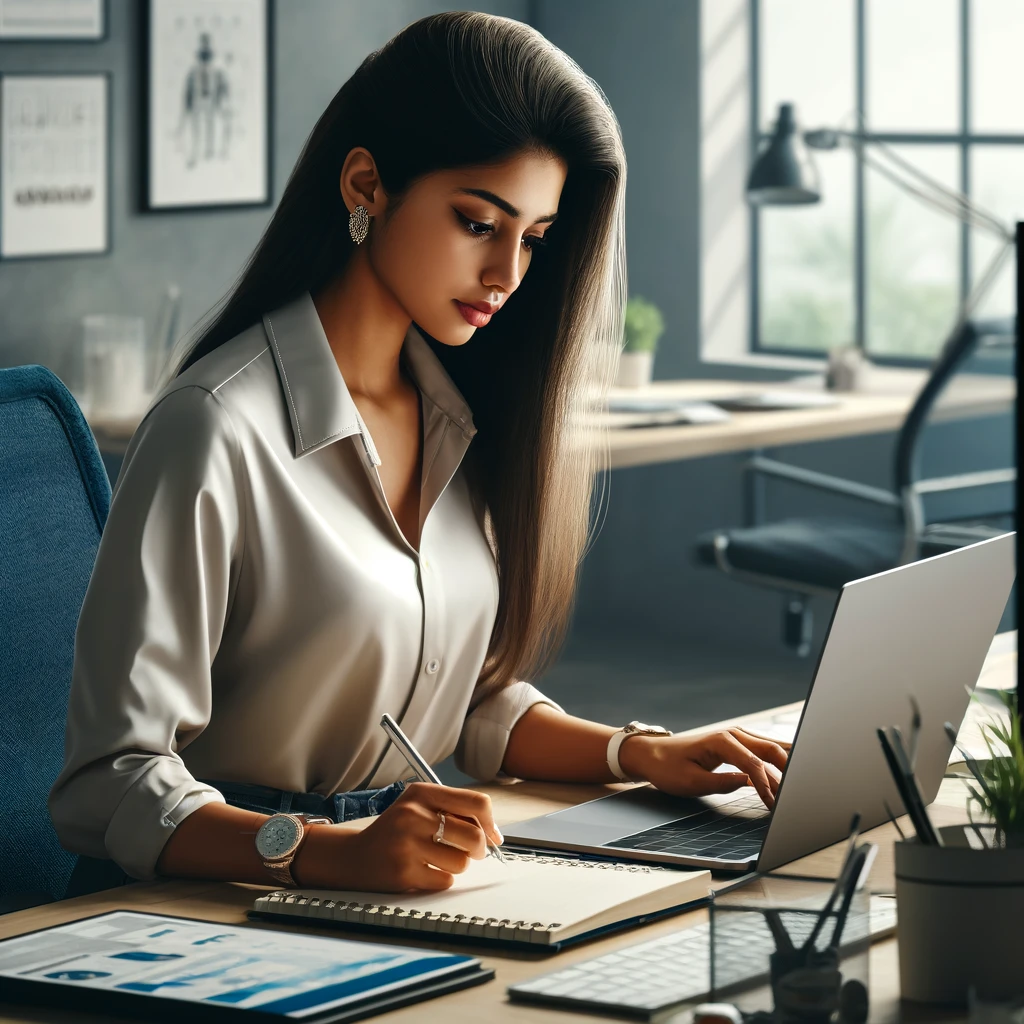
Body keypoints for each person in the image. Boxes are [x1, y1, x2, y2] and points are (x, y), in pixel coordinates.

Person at [49, 11, 788, 897]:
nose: (509, 275)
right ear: (366, 185)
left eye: (535, 239)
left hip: (403, 874)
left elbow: (463, 700)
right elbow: (107, 785)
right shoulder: (214, 427)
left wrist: (642, 753)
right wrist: (326, 852)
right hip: (210, 906)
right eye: (479, 222)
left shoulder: (461, 420)